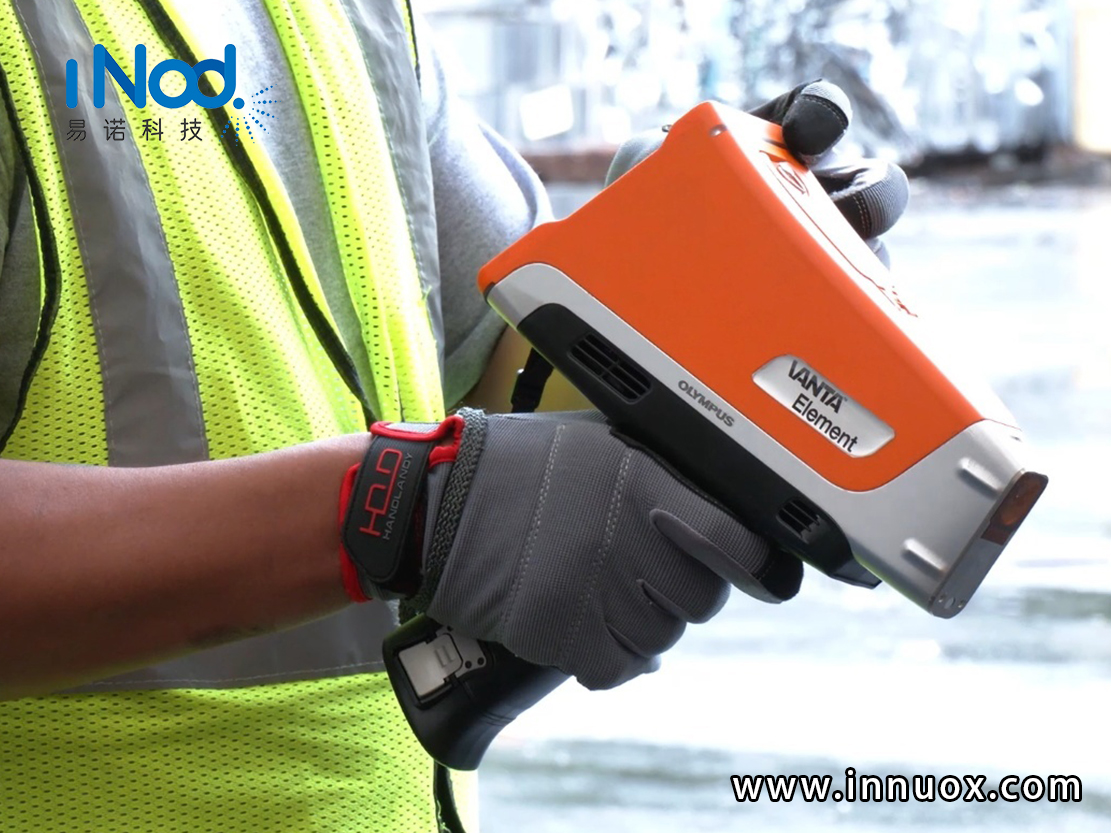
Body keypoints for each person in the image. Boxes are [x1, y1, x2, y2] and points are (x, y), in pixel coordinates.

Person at [0, 1, 908, 831]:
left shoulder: (355, 19)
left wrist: (686, 289)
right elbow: (456, 484)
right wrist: (396, 507)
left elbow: (504, 365)